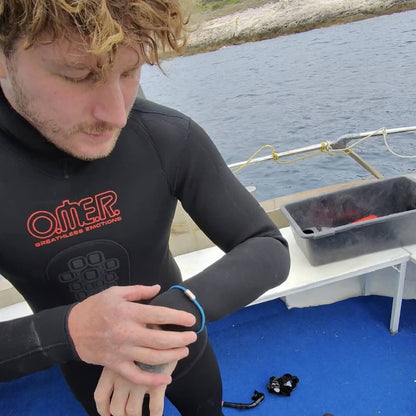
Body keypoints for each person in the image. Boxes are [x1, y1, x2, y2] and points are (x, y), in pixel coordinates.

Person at [0, 1, 290, 415]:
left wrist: (171, 315)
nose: (117, 114)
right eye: (79, 76)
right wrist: (70, 333)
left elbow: (268, 247)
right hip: (90, 371)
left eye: (129, 71)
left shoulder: (164, 136)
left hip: (183, 348)